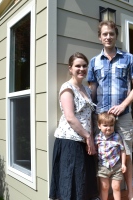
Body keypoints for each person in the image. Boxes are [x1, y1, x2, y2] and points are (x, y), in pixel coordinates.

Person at [87, 20, 133, 200]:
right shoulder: (94, 62)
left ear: (116, 36)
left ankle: (130, 193)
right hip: (101, 117)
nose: (108, 37)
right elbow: (92, 91)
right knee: (101, 153)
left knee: (127, 153)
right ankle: (103, 193)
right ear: (99, 37)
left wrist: (123, 105)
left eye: (111, 33)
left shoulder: (129, 58)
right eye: (105, 34)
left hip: (124, 116)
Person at [49, 52, 99, 200]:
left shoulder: (86, 90)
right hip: (70, 142)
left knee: (82, 182)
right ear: (70, 68)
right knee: (70, 183)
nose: (81, 69)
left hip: (84, 141)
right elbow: (70, 117)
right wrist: (88, 136)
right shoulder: (67, 88)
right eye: (78, 66)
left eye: (84, 66)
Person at [95, 112, 127, 200]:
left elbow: (123, 150)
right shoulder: (97, 138)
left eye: (111, 125)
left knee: (116, 187)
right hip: (103, 166)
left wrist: (123, 164)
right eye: (105, 125)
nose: (108, 128)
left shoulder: (117, 137)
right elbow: (94, 149)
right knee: (104, 187)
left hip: (116, 166)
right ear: (99, 126)